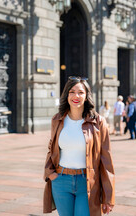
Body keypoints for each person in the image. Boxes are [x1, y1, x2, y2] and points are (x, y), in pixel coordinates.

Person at [43, 76, 115, 216]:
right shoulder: (57, 119)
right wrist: (50, 174)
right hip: (61, 181)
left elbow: (106, 160)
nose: (76, 96)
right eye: (72, 92)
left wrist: (108, 195)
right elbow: (51, 149)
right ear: (66, 95)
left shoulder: (98, 122)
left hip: (87, 183)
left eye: (81, 92)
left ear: (87, 96)